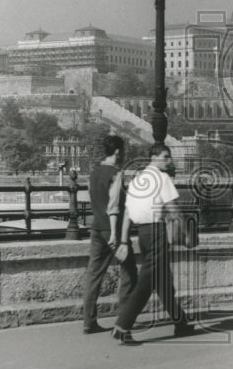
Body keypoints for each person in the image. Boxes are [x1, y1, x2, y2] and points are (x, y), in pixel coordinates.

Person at [112, 144, 194, 345]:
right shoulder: (162, 178)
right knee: (146, 283)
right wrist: (187, 234)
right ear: (154, 157)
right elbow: (174, 210)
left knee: (163, 282)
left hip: (142, 234)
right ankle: (123, 325)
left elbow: (128, 215)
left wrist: (124, 240)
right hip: (157, 232)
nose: (169, 161)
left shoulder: (136, 181)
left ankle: (181, 322)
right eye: (166, 157)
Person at [82, 134, 136, 334]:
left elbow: (96, 200)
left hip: (96, 228)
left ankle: (89, 321)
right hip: (111, 230)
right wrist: (115, 234)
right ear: (117, 151)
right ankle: (123, 320)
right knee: (130, 272)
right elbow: (113, 206)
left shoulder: (94, 172)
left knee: (93, 275)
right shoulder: (116, 173)